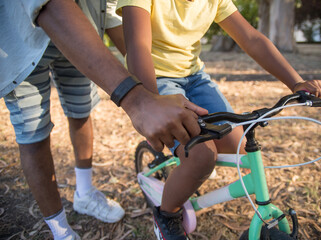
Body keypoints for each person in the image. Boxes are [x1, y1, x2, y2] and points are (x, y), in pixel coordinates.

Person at [116, 0, 321, 239]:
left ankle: (187, 166)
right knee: (202, 156)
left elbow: (251, 38)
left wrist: (296, 83)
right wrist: (152, 102)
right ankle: (166, 215)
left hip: (194, 77)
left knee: (236, 146)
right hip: (157, 77)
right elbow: (137, 46)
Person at [0, 0, 208, 239]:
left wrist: (156, 83)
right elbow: (47, 4)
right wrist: (138, 100)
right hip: (20, 42)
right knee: (33, 133)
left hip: (82, 37)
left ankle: (85, 193)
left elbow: (109, 14)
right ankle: (60, 229)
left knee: (81, 112)